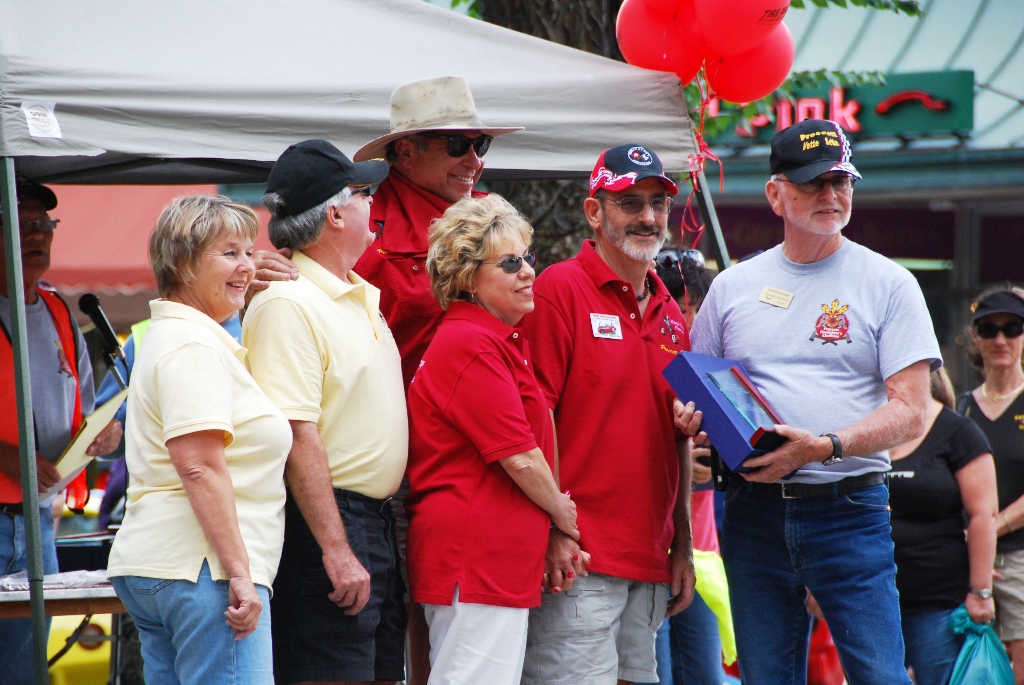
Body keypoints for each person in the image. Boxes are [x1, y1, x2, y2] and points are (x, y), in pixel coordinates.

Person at [250, 76, 522, 685]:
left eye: (481, 142)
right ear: (405, 151)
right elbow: (297, 425)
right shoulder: (356, 240)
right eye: (457, 143)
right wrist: (263, 269)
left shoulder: (477, 224)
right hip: (374, 494)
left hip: (426, 481)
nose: (474, 158)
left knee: (396, 657)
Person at [686, 119, 940, 685]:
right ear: (776, 193)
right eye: (812, 183)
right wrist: (692, 427)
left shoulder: (890, 282)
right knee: (766, 677)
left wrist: (825, 447)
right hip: (753, 510)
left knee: (881, 676)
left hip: (849, 509)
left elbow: (911, 410)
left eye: (840, 181)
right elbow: (700, 387)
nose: (830, 195)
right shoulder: (733, 287)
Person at [520, 144, 697, 685]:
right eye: (629, 203)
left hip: (649, 558)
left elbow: (679, 439)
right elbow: (534, 419)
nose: (647, 217)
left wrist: (683, 543)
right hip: (579, 558)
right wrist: (553, 528)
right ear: (594, 212)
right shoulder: (558, 288)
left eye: (657, 204)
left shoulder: (671, 312)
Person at [106, 195, 291, 685]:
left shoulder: (176, 335)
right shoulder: (191, 343)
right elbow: (199, 466)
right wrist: (240, 574)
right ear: (182, 263)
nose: (247, 266)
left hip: (167, 566)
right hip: (201, 569)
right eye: (229, 253)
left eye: (250, 252)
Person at [244, 140, 407, 685]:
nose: (374, 205)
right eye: (365, 194)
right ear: (335, 214)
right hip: (330, 522)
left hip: (370, 521)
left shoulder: (353, 292)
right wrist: (335, 549)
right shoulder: (287, 302)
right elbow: (295, 434)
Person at [405, 194, 579, 685]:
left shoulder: (494, 339)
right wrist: (563, 516)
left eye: (529, 258)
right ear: (466, 276)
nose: (528, 271)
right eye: (509, 262)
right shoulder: (470, 342)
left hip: (492, 558)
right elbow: (520, 458)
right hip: (475, 556)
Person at [0, 180, 122, 685]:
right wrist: (5, 456)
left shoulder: (58, 311)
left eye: (44, 225)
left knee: (28, 665)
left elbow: (86, 408)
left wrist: (103, 435)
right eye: (24, 225)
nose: (38, 236)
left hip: (39, 519)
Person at [649, 248, 731, 685]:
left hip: (701, 550)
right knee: (654, 670)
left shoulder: (713, 362)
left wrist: (710, 460)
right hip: (650, 544)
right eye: (680, 306)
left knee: (704, 672)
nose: (689, 316)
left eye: (697, 306)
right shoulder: (649, 354)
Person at [888, 367, 997, 685]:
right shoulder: (863, 427)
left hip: (936, 604)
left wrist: (980, 592)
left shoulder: (958, 431)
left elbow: (983, 515)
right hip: (873, 601)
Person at [95, 311, 242, 530]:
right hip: (164, 517)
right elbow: (102, 439)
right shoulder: (145, 335)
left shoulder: (263, 326)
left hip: (248, 510)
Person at [957, 285, 1024, 684]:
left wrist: (989, 530)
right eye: (988, 328)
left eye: (1012, 327)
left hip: (1018, 555)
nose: (1000, 339)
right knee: (966, 663)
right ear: (976, 338)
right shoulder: (962, 407)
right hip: (964, 559)